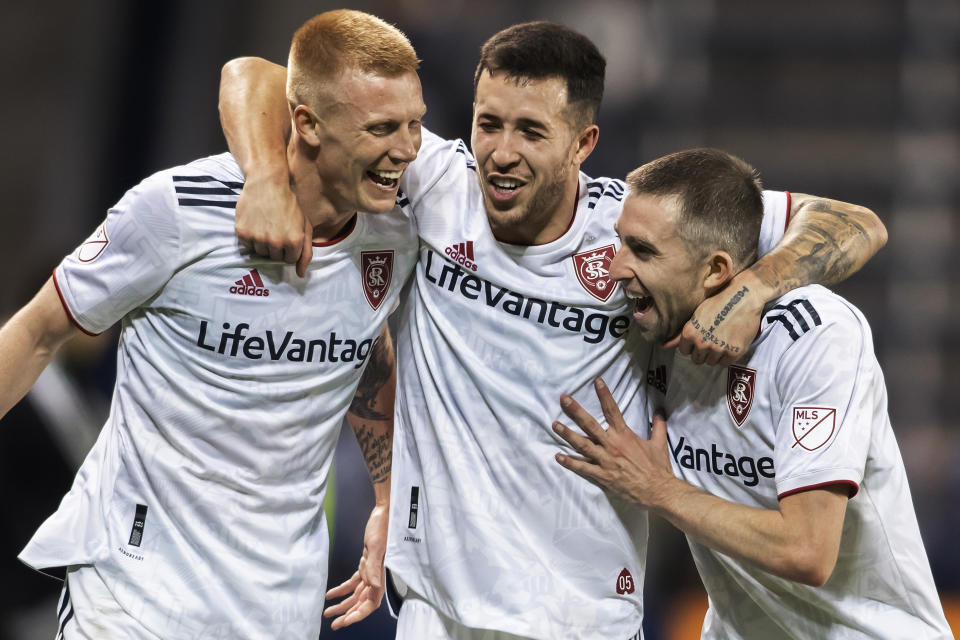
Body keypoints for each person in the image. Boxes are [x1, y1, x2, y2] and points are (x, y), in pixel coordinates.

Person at [219, 21, 888, 639]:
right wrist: (265, 178)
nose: (501, 154)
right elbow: (251, 76)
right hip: (435, 611)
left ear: (583, 143)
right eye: (489, 124)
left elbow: (857, 221)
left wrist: (756, 287)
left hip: (580, 618)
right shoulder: (435, 186)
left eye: (531, 132)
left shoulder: (638, 231)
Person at [2, 9, 425, 638]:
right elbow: (36, 331)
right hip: (130, 597)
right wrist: (261, 179)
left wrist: (389, 496)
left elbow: (364, 346)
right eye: (383, 128)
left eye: (415, 124)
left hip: (278, 606)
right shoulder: (175, 211)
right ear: (305, 123)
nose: (409, 149)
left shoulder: (397, 228)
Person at [552, 149, 952, 639]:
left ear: (717, 269)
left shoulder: (815, 335)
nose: (614, 270)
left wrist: (656, 489)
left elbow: (806, 551)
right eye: (620, 243)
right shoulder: (657, 322)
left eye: (643, 250)